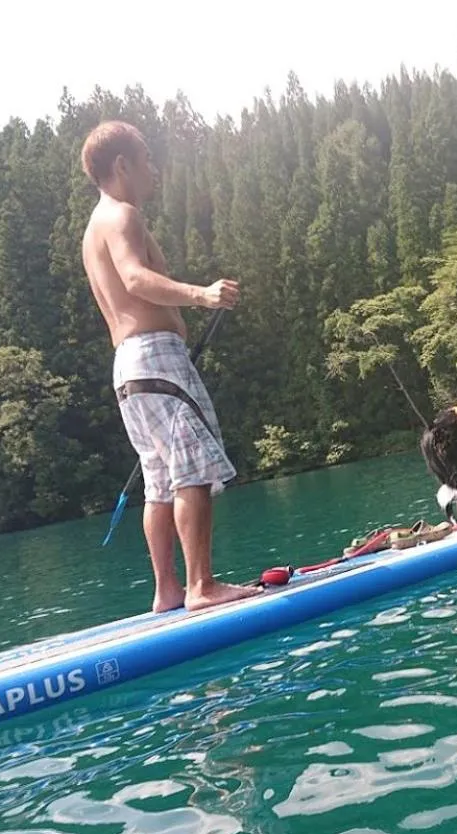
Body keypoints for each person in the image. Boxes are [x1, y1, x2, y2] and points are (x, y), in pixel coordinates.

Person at [78, 119, 261, 613]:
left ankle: (167, 592)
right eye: (147, 161)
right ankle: (201, 586)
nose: (154, 171)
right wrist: (200, 295)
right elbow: (136, 279)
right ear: (122, 165)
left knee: (159, 480)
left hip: (128, 369)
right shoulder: (123, 217)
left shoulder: (93, 229)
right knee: (191, 469)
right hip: (156, 357)